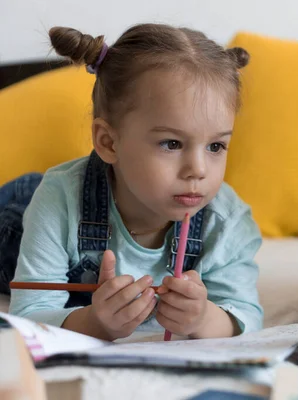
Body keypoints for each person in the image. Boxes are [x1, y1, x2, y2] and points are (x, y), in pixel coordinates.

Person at [1, 23, 263, 341]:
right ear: (109, 142)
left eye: (216, 146)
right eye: (172, 144)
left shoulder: (226, 221)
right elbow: (29, 317)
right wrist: (96, 323)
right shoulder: (58, 200)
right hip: (15, 221)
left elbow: (245, 315)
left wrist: (204, 318)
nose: (198, 170)